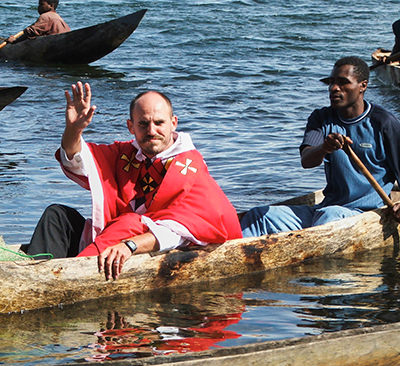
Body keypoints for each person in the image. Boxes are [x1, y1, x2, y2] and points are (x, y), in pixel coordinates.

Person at [25, 82, 242, 279]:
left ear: (173, 123)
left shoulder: (189, 167)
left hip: (144, 245)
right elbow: (76, 159)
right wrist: (74, 130)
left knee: (129, 223)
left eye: (159, 123)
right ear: (131, 127)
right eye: (143, 124)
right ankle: (34, 274)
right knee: (57, 215)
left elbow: (180, 233)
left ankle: (59, 276)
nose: (152, 131)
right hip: (111, 237)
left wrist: (129, 246)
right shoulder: (125, 153)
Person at [240, 56, 400, 238]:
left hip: (364, 214)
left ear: (363, 86)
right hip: (325, 210)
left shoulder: (384, 123)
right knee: (259, 216)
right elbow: (307, 161)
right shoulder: (320, 118)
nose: (334, 88)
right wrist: (325, 147)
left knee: (329, 216)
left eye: (342, 83)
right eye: (331, 82)